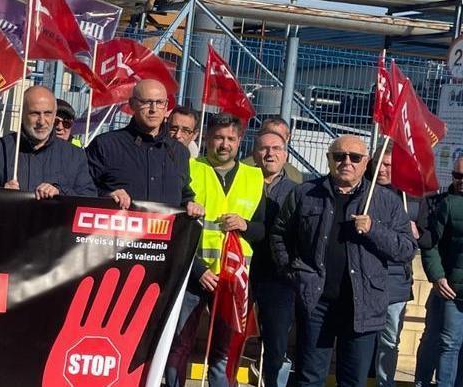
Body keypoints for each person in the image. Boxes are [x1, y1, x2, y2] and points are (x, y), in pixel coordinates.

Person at [271, 135, 415, 387]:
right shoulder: (305, 193)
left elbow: (405, 249)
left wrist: (373, 229)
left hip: (364, 306)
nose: (346, 162)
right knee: (309, 377)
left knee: (353, 380)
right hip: (316, 302)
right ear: (329, 159)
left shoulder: (386, 201)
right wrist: (293, 272)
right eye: (339, 156)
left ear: (366, 162)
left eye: (355, 157)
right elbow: (280, 234)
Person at [165, 114, 263, 387]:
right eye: (218, 137)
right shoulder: (190, 169)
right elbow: (174, 227)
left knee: (224, 353)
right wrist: (199, 270)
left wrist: (245, 224)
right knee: (179, 346)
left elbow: (263, 230)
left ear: (240, 141)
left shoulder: (254, 178)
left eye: (231, 139)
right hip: (193, 275)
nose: (224, 144)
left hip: (233, 281)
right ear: (207, 138)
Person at [86, 79, 202, 215]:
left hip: (164, 234)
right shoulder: (105, 145)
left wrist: (191, 204)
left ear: (166, 107)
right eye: (146, 102)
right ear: (132, 104)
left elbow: (183, 192)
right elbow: (81, 187)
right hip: (116, 233)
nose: (153, 109)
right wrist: (106, 195)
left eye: (159, 103)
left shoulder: (180, 152)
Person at [0, 86, 94, 198]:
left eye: (47, 113)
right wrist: (1, 195)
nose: (41, 121)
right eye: (35, 113)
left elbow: (88, 200)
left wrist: (60, 192)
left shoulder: (75, 155)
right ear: (23, 114)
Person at [250, 130, 299, 387]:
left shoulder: (299, 192)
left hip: (279, 278)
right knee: (230, 338)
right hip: (241, 270)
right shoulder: (242, 182)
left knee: (276, 345)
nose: (270, 153)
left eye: (276, 148)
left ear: (285, 154)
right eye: (264, 148)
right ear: (255, 153)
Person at [372, 149, 419, 387]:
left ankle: (385, 383)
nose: (382, 169)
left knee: (389, 341)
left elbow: (429, 238)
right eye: (378, 163)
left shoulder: (410, 199)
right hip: (366, 279)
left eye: (388, 165)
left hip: (396, 283)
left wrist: (417, 234)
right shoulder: (364, 193)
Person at [422, 155, 463, 387]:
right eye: (457, 175)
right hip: (451, 290)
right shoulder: (445, 204)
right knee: (446, 343)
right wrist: (437, 276)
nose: (461, 181)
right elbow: (430, 244)